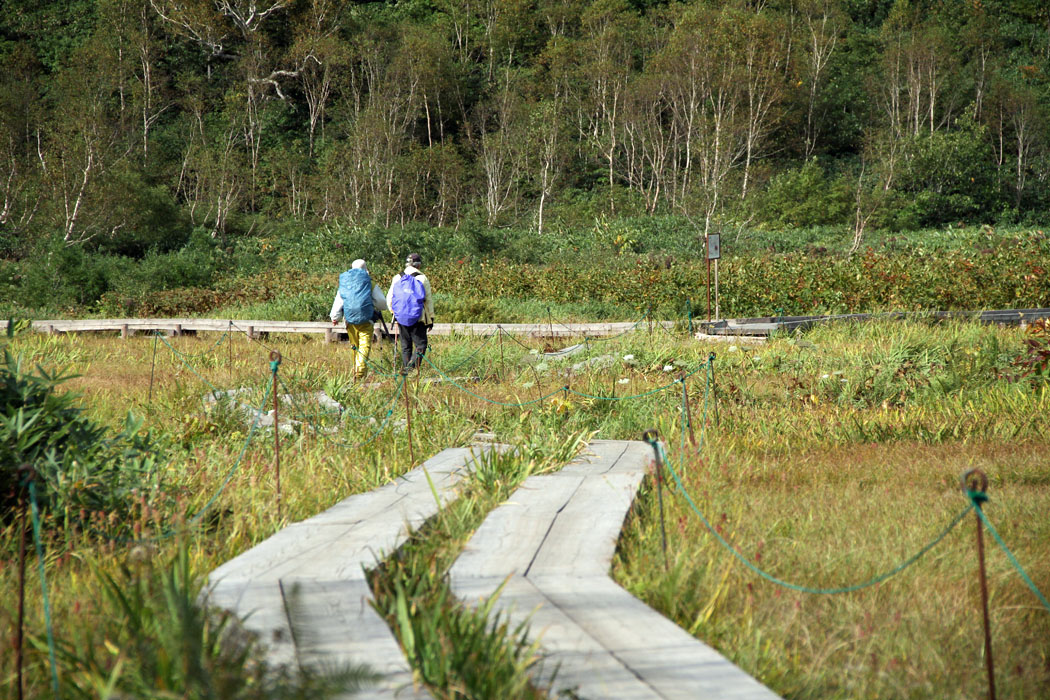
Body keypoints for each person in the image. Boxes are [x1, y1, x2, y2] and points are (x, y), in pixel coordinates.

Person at [331, 259, 388, 380]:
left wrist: (335, 317)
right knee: (364, 345)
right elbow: (382, 302)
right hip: (367, 320)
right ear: (366, 269)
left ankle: (356, 371)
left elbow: (339, 301)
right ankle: (360, 372)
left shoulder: (345, 283)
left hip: (349, 320)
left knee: (355, 346)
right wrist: (379, 306)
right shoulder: (369, 283)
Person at [387, 252, 434, 372]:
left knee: (405, 346)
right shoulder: (422, 278)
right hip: (418, 317)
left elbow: (390, 298)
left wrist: (394, 313)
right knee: (421, 345)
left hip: (401, 317)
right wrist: (431, 318)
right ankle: (410, 369)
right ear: (418, 265)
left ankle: (407, 372)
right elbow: (428, 300)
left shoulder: (398, 278)